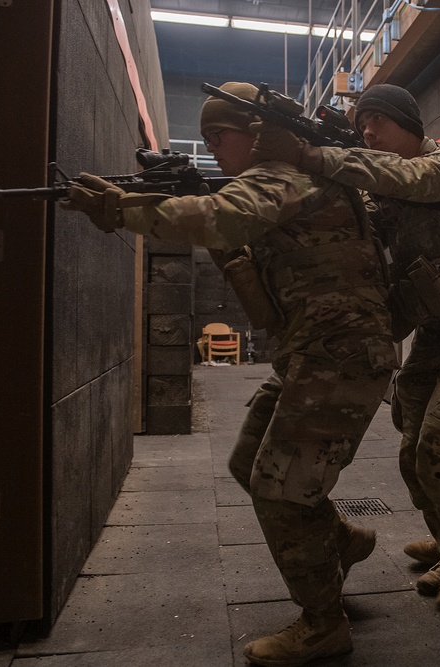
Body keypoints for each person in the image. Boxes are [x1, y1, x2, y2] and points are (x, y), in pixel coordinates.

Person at [62, 82, 397, 667]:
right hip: (314, 352)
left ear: (258, 133)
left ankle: (324, 624)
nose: (214, 149)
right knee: (250, 462)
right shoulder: (282, 178)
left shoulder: (284, 175)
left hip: (339, 355)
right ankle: (340, 541)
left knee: (281, 486)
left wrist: (124, 207)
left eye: (221, 136)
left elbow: (223, 216)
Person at [253, 84, 440, 612]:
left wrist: (313, 153)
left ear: (408, 123)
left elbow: (401, 176)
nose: (367, 132)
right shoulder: (380, 187)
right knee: (411, 450)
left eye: (378, 121)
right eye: (361, 124)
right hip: (435, 330)